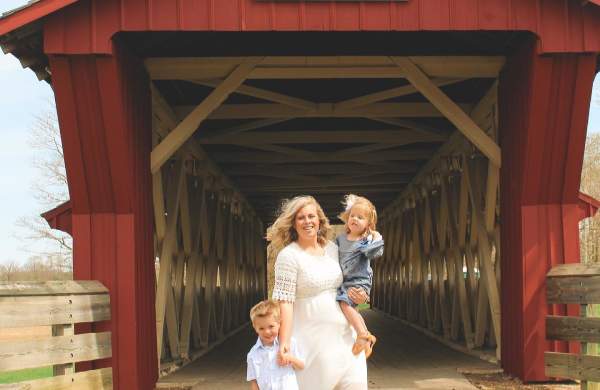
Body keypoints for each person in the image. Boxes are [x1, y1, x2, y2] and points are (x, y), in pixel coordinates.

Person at [267, 195, 369, 390]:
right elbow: (285, 302)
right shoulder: (288, 256)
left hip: (346, 339)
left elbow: (354, 280)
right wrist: (284, 342)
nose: (307, 222)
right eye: (301, 218)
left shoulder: (333, 249)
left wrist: (362, 295)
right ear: (293, 224)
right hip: (311, 343)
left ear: (320, 220)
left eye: (311, 216)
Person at [336, 194, 384, 358]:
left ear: (369, 224)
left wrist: (376, 237)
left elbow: (375, 253)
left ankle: (362, 334)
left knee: (344, 304)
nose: (354, 219)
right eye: (352, 216)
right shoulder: (340, 239)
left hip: (359, 282)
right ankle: (366, 337)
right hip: (344, 282)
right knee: (353, 310)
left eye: (360, 217)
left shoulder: (366, 240)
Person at [246, 300, 304, 390]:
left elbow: (301, 366)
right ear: (255, 328)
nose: (267, 332)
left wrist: (290, 358)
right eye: (261, 328)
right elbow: (254, 382)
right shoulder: (252, 355)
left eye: (271, 326)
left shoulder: (289, 343)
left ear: (279, 323)